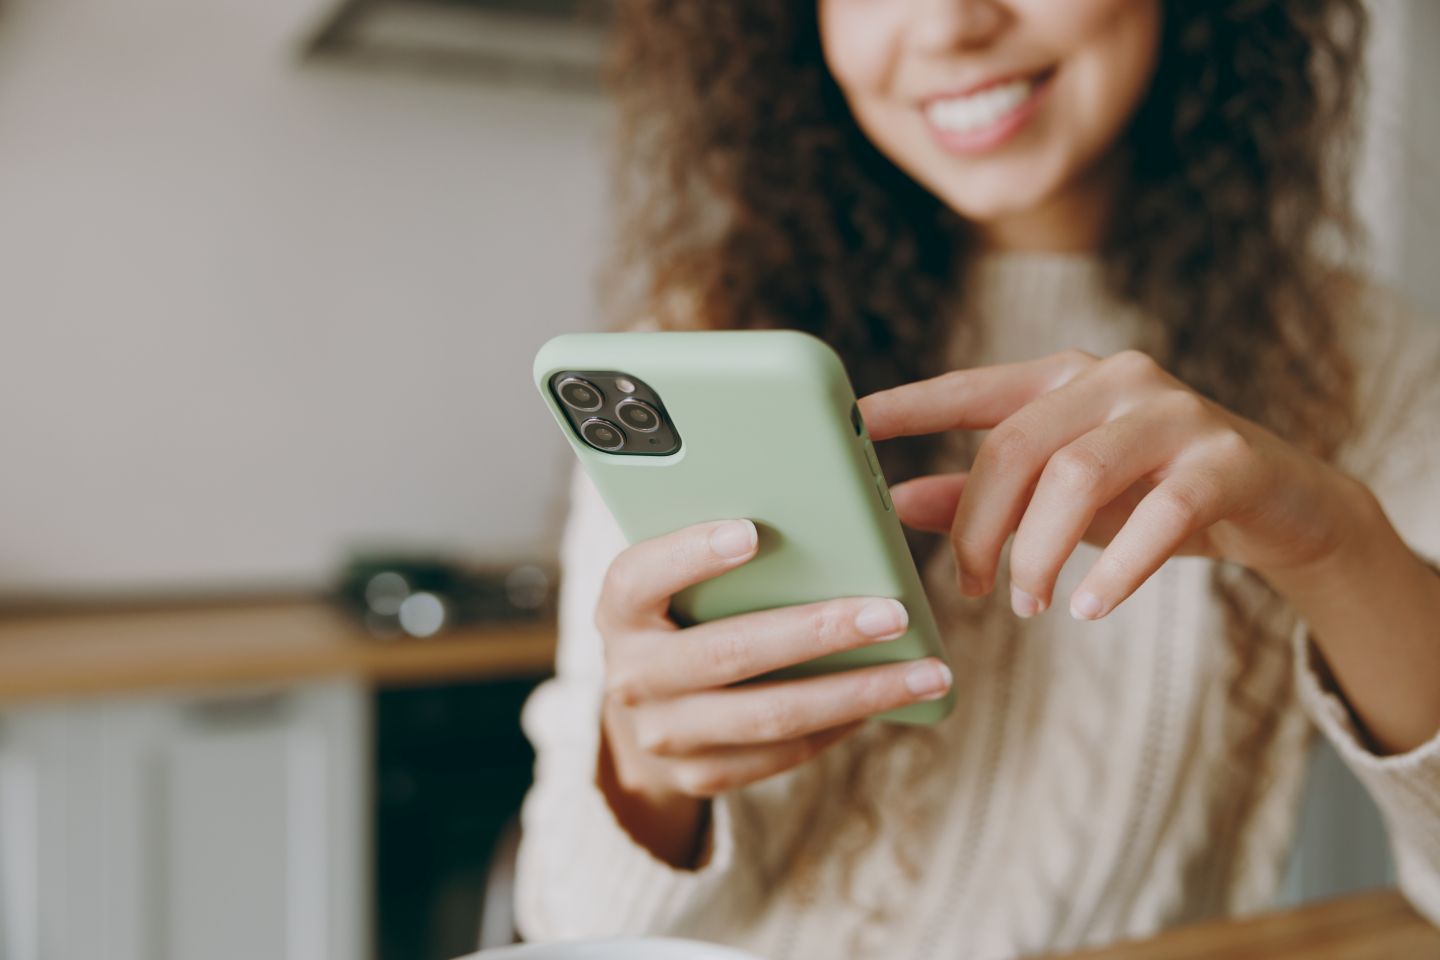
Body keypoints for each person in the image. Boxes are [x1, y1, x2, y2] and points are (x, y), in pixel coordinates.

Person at [514, 2, 1440, 956]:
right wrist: (646, 770)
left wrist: (1333, 544)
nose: (950, 25)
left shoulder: (1359, 365)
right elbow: (571, 926)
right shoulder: (703, 341)